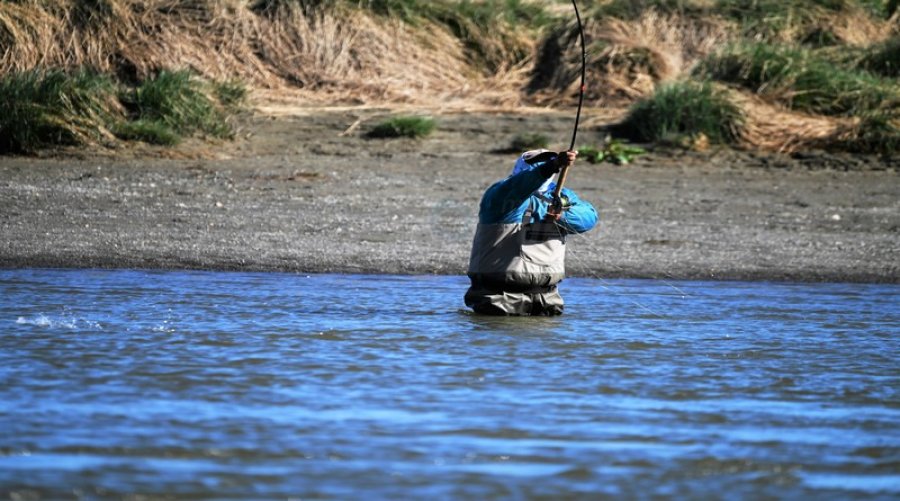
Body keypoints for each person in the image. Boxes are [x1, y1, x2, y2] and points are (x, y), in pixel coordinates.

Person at [464, 149, 598, 316]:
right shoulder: (500, 194)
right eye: (536, 163)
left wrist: (561, 216)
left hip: (546, 298)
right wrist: (552, 165)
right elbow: (520, 187)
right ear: (520, 167)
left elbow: (589, 217)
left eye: (547, 161)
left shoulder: (562, 195)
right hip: (497, 297)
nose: (541, 165)